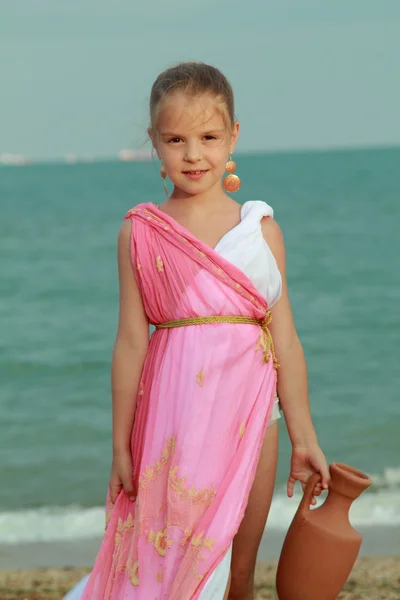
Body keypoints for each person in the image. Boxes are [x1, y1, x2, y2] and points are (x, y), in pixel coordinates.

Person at [71, 61, 330, 600]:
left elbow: (285, 340)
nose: (193, 154)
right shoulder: (140, 233)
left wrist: (304, 438)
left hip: (253, 420)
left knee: (238, 571)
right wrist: (120, 446)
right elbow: (130, 342)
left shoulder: (260, 232)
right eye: (176, 139)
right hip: (170, 424)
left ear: (233, 136)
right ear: (154, 144)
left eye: (209, 137)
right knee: (166, 566)